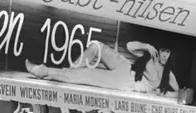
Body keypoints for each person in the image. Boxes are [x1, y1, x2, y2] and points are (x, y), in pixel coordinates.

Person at [25, 40, 179, 97]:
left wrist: (161, 92)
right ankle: (70, 72)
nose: (164, 54)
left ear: (171, 54)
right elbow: (130, 46)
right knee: (96, 46)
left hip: (127, 82)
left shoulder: (168, 74)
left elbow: (178, 93)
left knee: (85, 74)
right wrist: (147, 46)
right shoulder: (151, 56)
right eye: (163, 50)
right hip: (126, 66)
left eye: (168, 52)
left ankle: (44, 71)